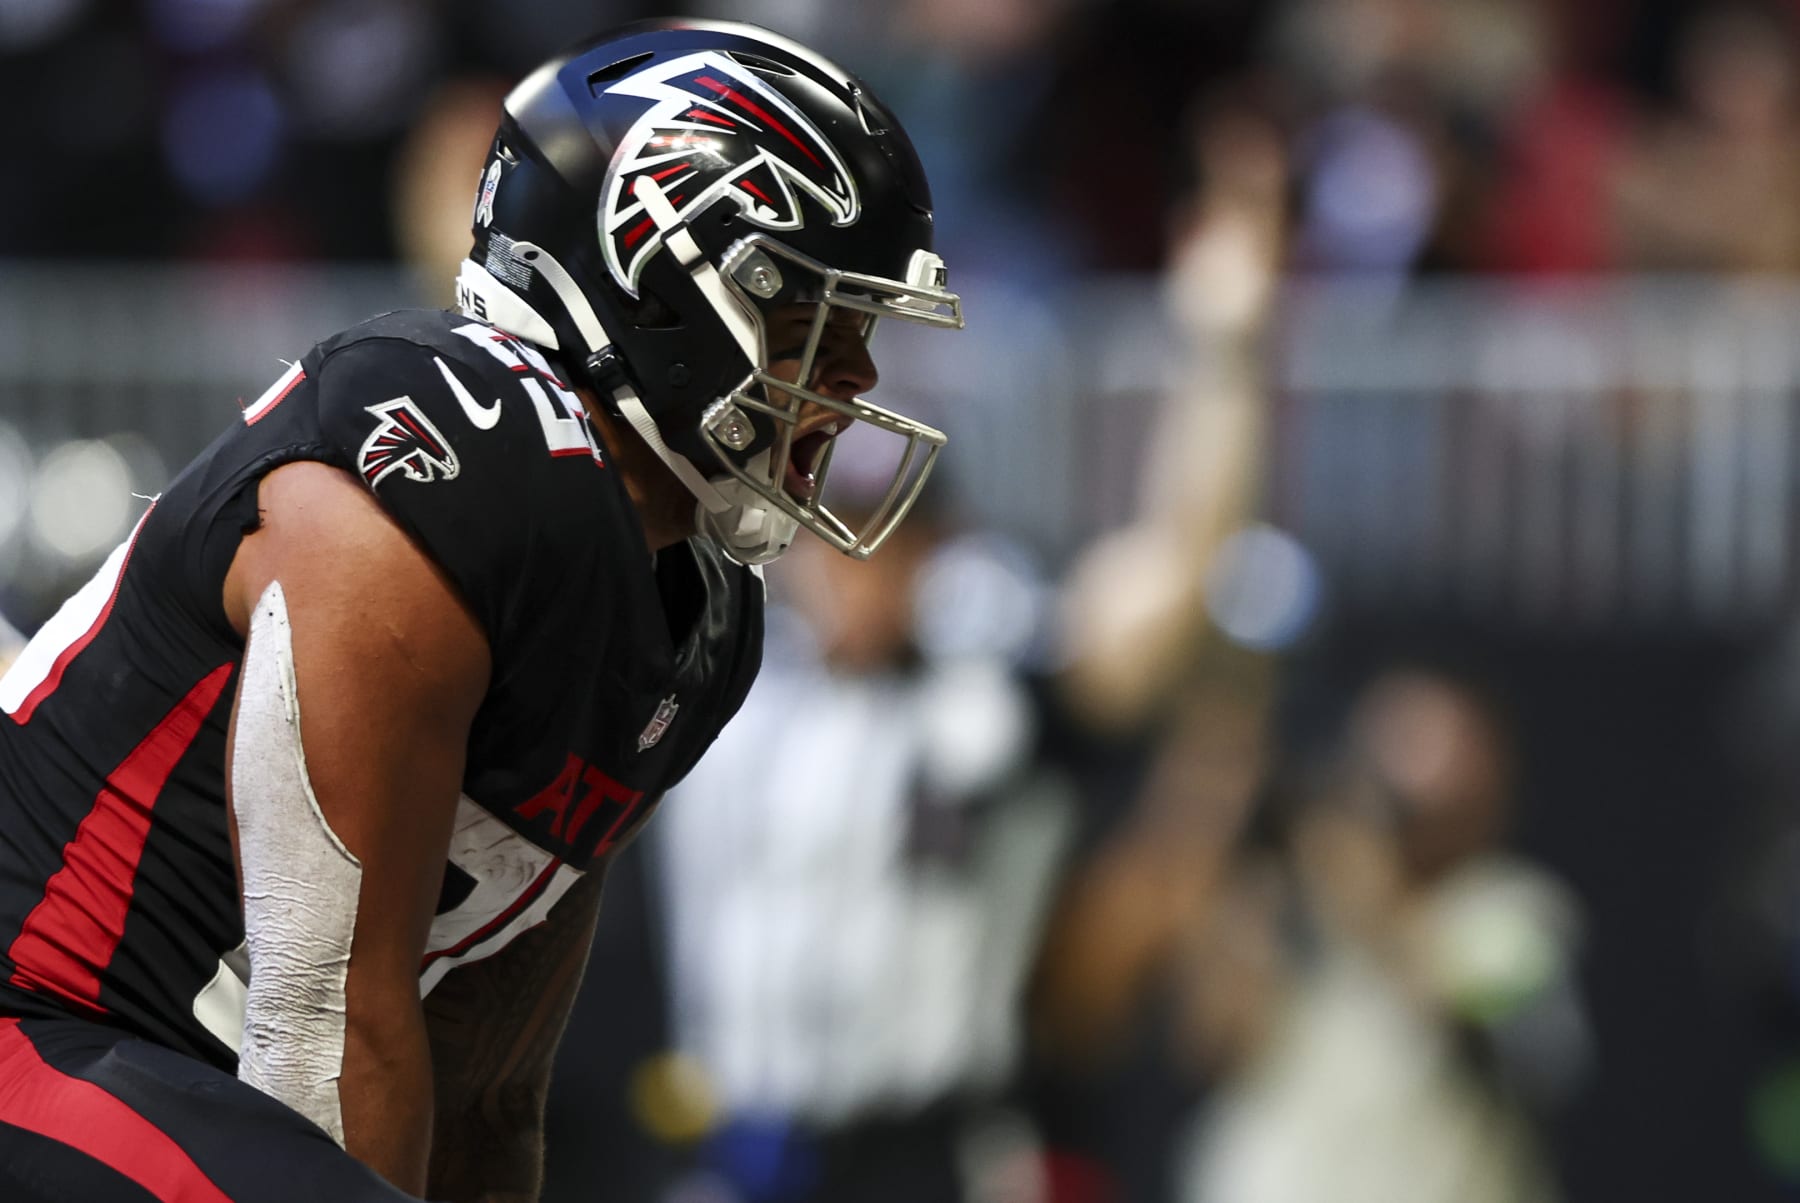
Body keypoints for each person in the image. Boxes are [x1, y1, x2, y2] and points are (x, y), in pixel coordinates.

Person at [0, 17, 962, 1203]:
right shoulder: (446, 445)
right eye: (820, 314)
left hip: (174, 1086)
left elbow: (486, 1093)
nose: (857, 378)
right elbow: (322, 1027)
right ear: (662, 285)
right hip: (38, 1018)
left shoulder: (700, 620)